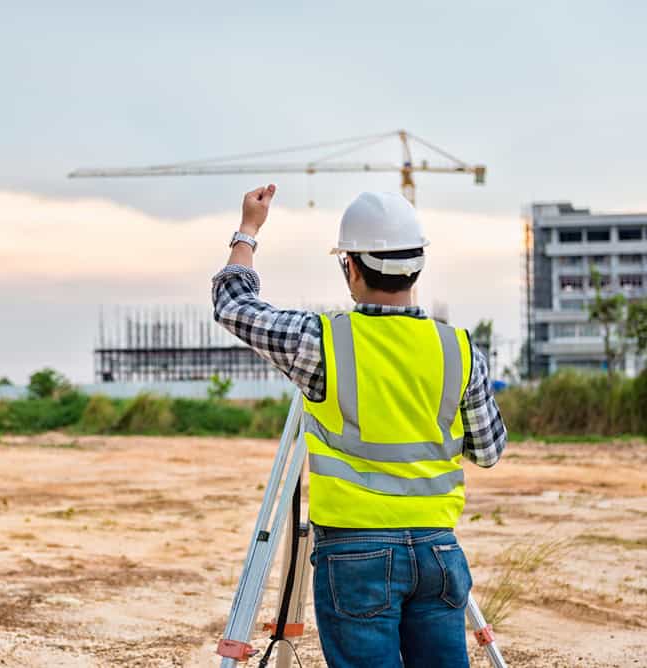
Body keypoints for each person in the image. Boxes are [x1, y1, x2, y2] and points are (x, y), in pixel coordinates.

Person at [212, 186, 507, 668]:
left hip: (355, 555)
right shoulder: (459, 348)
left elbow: (233, 305)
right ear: (418, 266)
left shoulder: (320, 342)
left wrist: (248, 230)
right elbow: (490, 449)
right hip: (438, 552)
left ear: (350, 265)